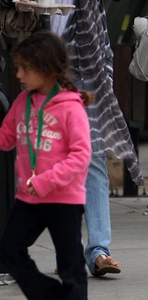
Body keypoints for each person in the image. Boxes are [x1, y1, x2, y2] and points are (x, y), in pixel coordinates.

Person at [0, 0, 143, 277]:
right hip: (39, 59)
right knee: (39, 153)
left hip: (86, 58)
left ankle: (97, 249)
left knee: (92, 153)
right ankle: (38, 249)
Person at [0, 30, 92, 299]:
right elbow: (6, 139)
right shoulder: (22, 102)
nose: (18, 75)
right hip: (29, 199)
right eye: (18, 68)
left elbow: (80, 155)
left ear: (47, 68)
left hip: (64, 199)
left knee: (71, 265)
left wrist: (46, 181)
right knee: (9, 251)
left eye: (25, 69)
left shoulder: (70, 107)